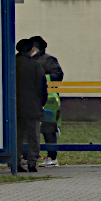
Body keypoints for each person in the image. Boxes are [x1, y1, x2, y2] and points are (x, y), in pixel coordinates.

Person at [14, 38, 47, 173]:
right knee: (34, 136)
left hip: (15, 106)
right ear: (30, 50)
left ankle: (15, 162)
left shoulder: (12, 63)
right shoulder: (35, 65)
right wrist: (41, 103)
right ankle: (32, 163)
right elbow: (41, 87)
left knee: (17, 135)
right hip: (33, 106)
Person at [30, 36, 63, 167]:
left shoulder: (48, 60)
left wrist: (41, 78)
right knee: (30, 128)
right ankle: (28, 155)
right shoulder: (28, 59)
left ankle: (52, 156)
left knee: (48, 127)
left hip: (49, 99)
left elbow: (58, 75)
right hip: (32, 98)